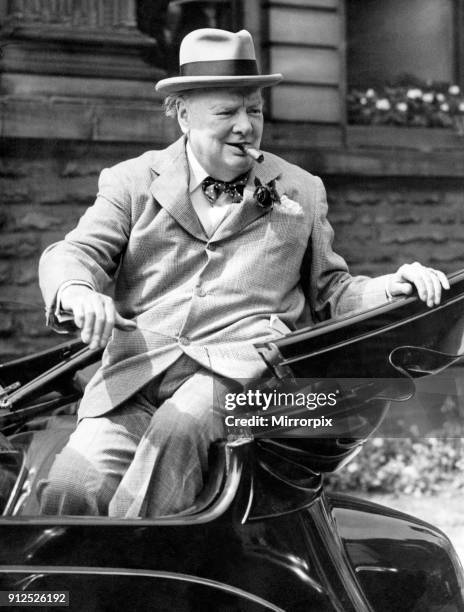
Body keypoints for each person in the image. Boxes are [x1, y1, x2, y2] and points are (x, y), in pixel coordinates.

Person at [38, 28, 449, 517]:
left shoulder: (299, 189)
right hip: (135, 382)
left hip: (242, 377)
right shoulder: (131, 182)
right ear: (183, 114)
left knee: (182, 425)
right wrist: (77, 289)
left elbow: (333, 291)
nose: (244, 126)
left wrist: (392, 287)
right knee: (70, 490)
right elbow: (75, 252)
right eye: (226, 112)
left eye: (253, 110)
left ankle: (140, 577)